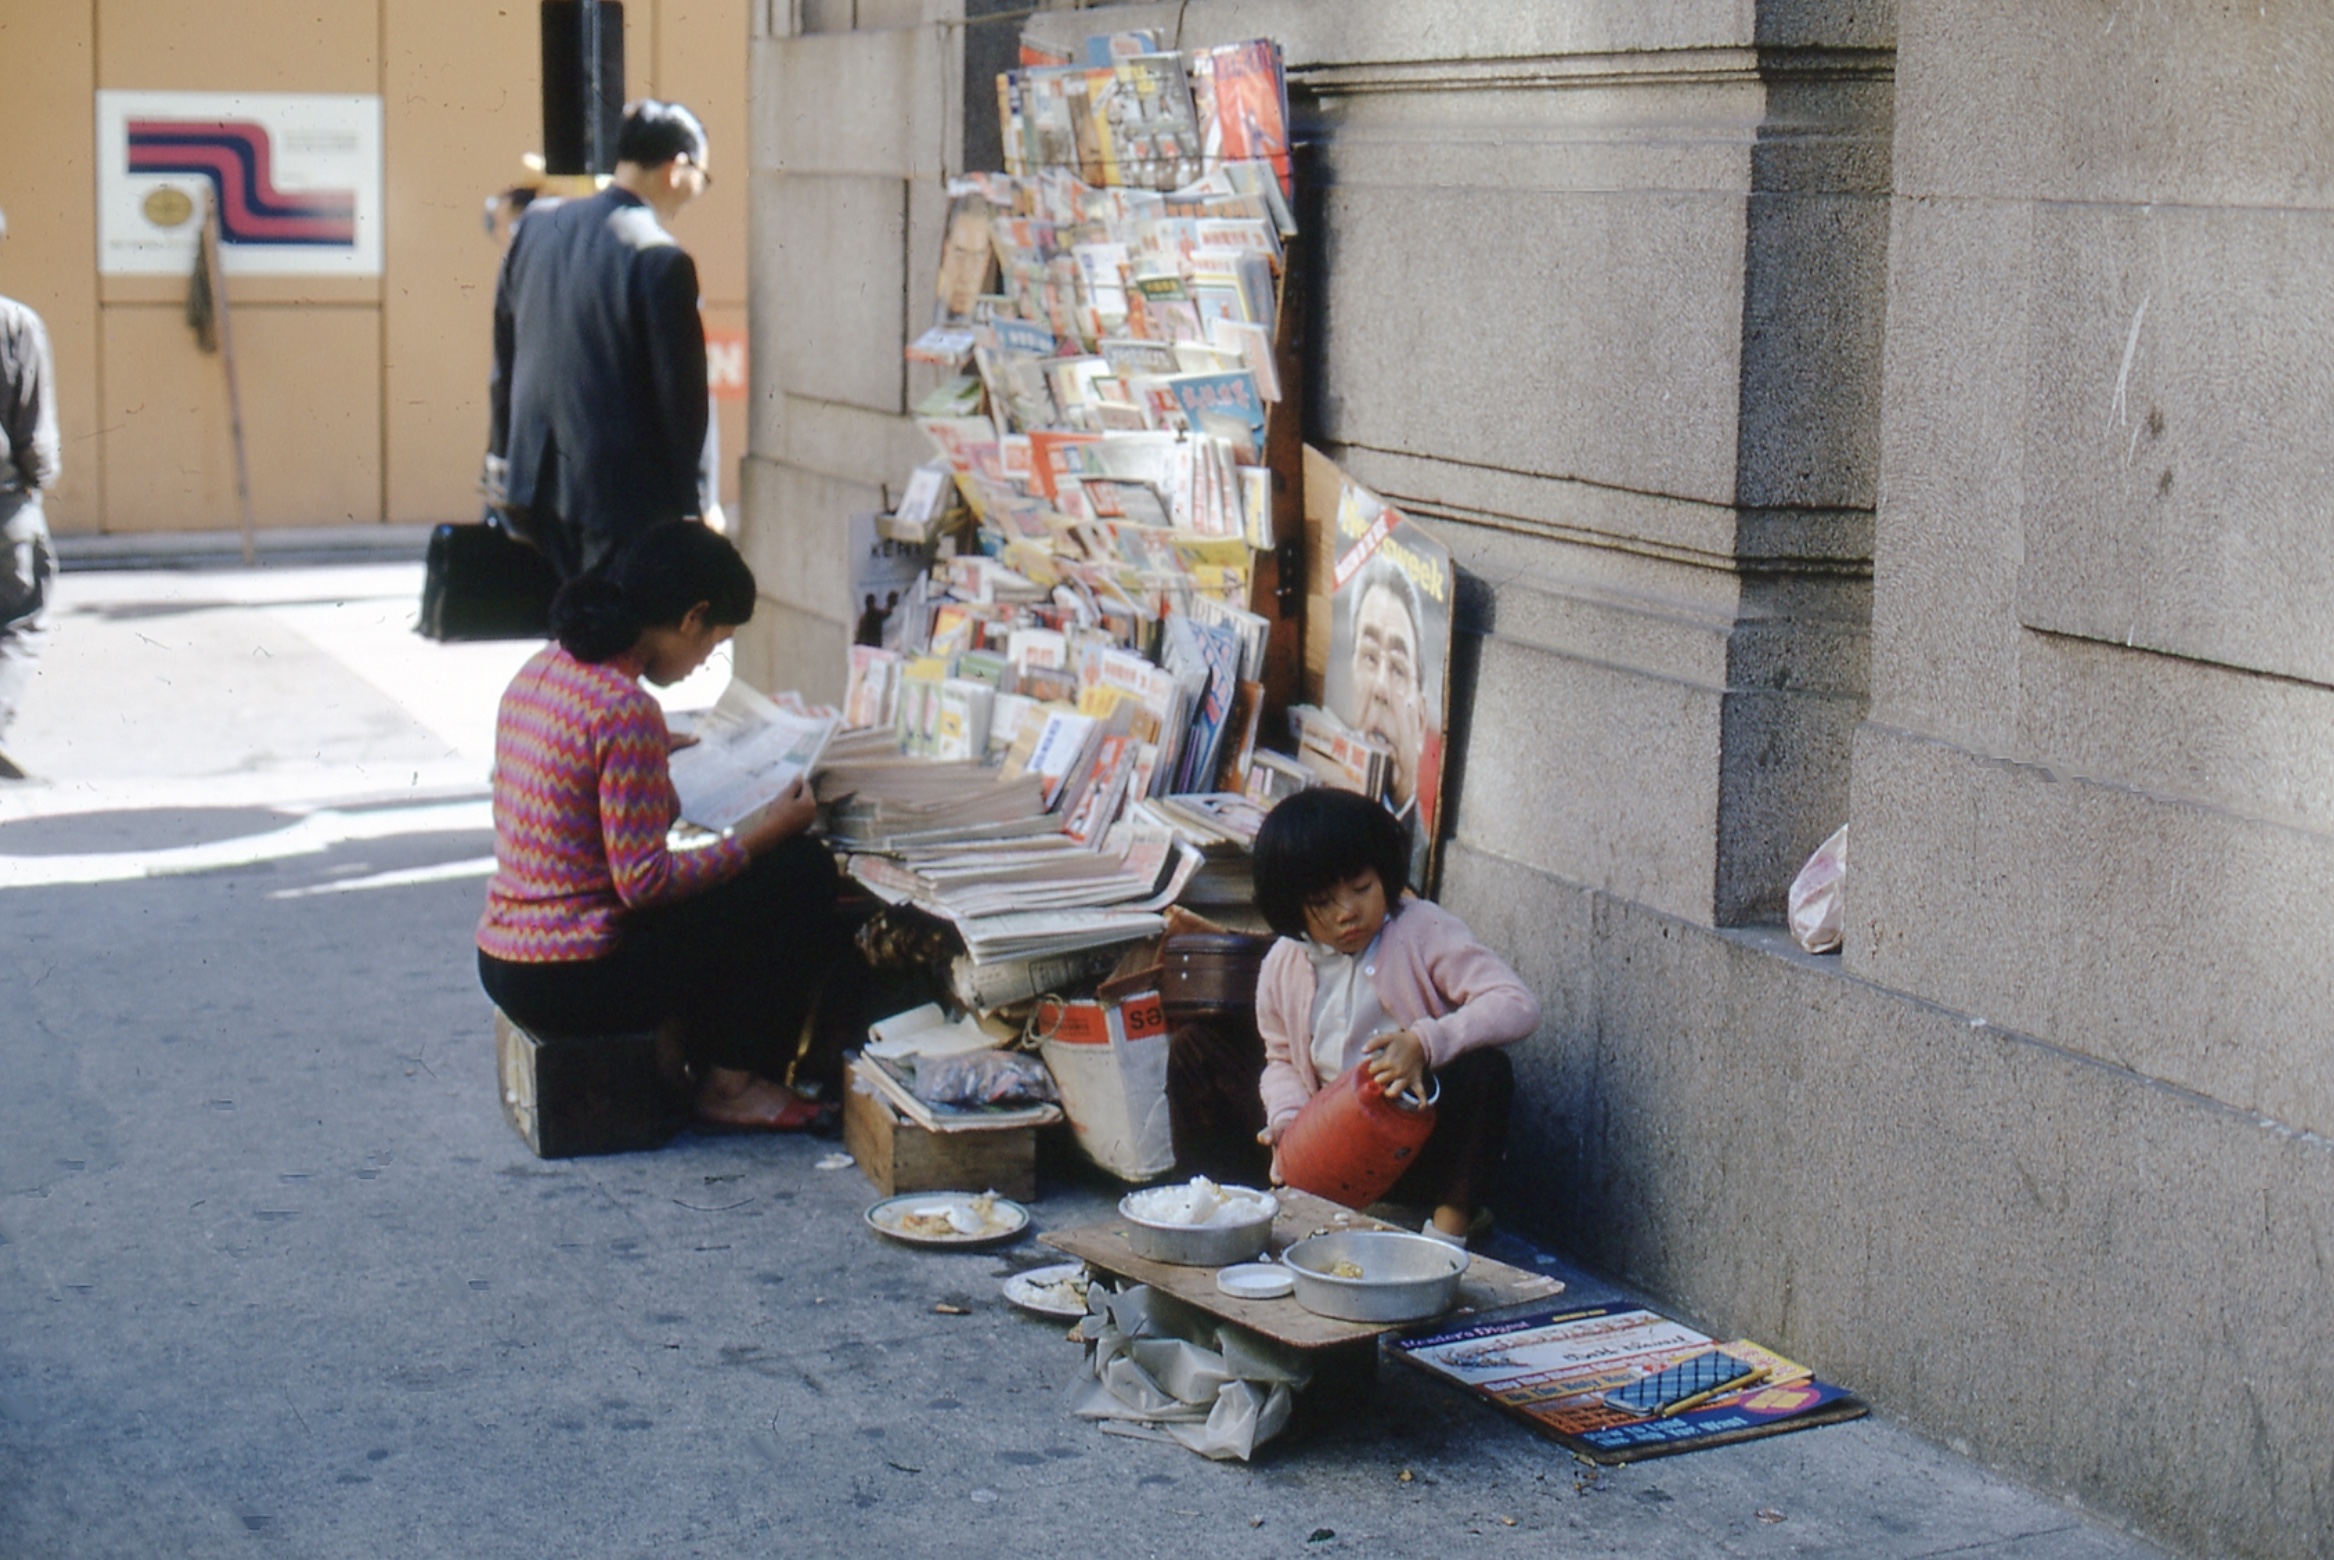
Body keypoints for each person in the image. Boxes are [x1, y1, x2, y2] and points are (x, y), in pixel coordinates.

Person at [475, 521, 837, 1131]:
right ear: (691, 618)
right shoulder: (626, 710)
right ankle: (732, 1083)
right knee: (797, 873)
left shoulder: (547, 667)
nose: (704, 663)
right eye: (714, 643)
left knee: (734, 891)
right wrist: (767, 832)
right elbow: (643, 883)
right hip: (572, 971)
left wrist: (651, 763)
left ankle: (688, 1053)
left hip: (507, 958)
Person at [1249, 787, 1539, 1244]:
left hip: (1417, 1141)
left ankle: (1449, 1232)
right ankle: (1235, 1216)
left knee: (1487, 1071)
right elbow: (1281, 1057)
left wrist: (1423, 1043)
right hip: (1333, 1147)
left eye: (1362, 889)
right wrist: (1288, 1121)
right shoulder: (1284, 963)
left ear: (1384, 876)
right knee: (1200, 1053)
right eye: (1324, 902)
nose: (1348, 912)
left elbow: (1517, 1004)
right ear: (1292, 907)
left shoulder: (1422, 928)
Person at [487, 100, 722, 581]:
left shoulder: (537, 227)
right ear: (677, 168)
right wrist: (699, 503)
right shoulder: (660, 258)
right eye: (702, 175)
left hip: (535, 487)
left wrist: (501, 462)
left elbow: (504, 361)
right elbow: (684, 397)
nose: (699, 188)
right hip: (621, 504)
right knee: (621, 643)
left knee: (571, 638)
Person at [0, 205, 59, 781]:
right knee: (20, 619)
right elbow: (34, 428)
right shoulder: (15, 323)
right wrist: (36, 483)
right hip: (4, 500)